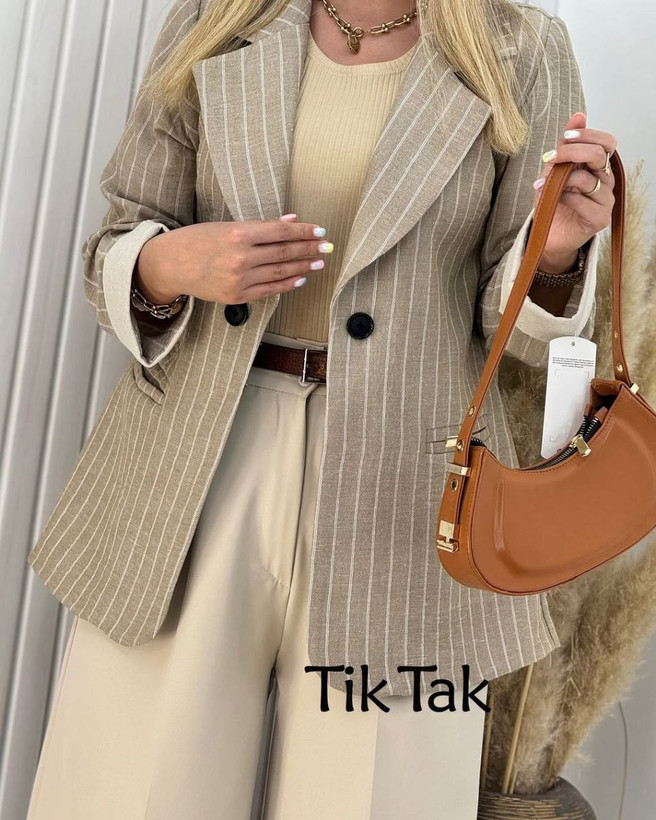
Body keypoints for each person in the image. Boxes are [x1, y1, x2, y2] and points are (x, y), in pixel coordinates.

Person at [26, 0, 616, 817]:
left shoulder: (520, 45)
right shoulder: (218, 18)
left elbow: (511, 332)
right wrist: (170, 264)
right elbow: (116, 243)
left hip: (411, 490)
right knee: (128, 792)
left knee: (378, 799)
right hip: (196, 464)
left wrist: (556, 254)